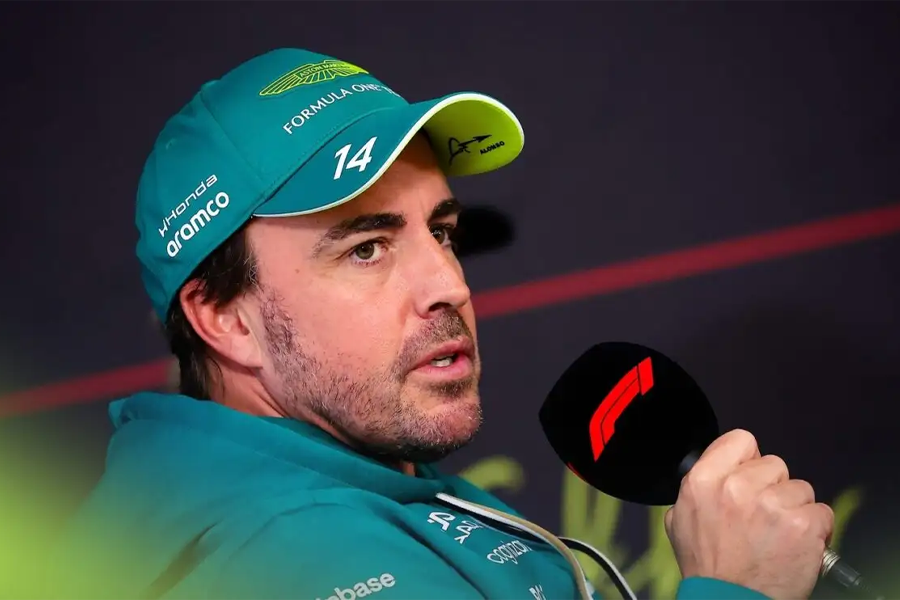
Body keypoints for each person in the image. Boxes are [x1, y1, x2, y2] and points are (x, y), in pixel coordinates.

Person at [45, 48, 833, 600]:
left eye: (443, 232)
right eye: (366, 248)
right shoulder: (279, 559)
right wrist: (739, 590)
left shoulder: (359, 487)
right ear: (223, 318)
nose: (450, 285)